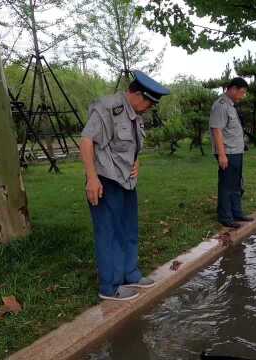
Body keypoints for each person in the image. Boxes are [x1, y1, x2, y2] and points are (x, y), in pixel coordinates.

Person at [80, 70, 170, 301]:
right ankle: (110, 286)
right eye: (149, 102)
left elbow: (132, 145)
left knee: (129, 229)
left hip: (127, 181)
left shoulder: (134, 114)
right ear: (137, 94)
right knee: (109, 233)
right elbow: (87, 140)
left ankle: (130, 273)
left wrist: (136, 163)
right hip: (105, 180)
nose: (149, 107)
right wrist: (92, 178)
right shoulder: (108, 107)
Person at [209, 77, 254, 229]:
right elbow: (217, 130)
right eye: (242, 92)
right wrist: (222, 155)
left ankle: (236, 213)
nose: (243, 95)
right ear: (233, 89)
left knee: (236, 184)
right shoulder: (221, 105)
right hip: (227, 152)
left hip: (236, 152)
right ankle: (225, 217)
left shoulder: (231, 105)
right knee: (227, 185)